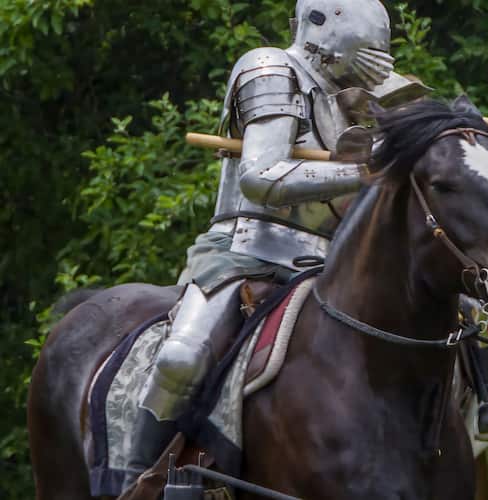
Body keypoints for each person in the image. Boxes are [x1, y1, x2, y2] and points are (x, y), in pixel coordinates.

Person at [122, 0, 432, 491]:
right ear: (322, 25)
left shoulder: (360, 97)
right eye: (370, 47)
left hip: (331, 261)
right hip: (247, 249)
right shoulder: (270, 67)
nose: (378, 58)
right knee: (182, 357)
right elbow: (261, 176)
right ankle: (137, 480)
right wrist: (365, 170)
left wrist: (398, 114)